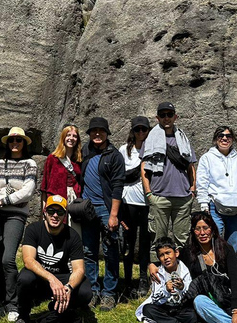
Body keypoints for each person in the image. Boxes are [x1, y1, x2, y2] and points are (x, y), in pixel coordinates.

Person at [12, 195, 91, 323]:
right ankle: (23, 316)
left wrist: (68, 287)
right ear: (44, 212)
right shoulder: (33, 229)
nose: (55, 215)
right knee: (24, 278)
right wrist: (51, 278)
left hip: (62, 278)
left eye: (60, 212)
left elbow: (79, 269)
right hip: (40, 277)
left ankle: (63, 309)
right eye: (51, 211)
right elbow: (28, 260)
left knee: (85, 291)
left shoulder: (72, 236)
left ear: (65, 215)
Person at [140, 102, 197, 285]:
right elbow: (144, 168)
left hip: (182, 197)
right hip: (159, 196)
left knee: (183, 239)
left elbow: (190, 165)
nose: (166, 118)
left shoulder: (183, 138)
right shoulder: (151, 139)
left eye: (169, 114)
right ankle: (156, 281)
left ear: (175, 117)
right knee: (158, 238)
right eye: (162, 115)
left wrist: (193, 188)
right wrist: (148, 193)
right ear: (157, 118)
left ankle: (183, 278)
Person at [0, 126, 38, 322]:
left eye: (18, 140)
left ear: (24, 143)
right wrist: (6, 194)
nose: (15, 144)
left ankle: (14, 303)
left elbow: (28, 191)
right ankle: (1, 300)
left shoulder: (30, 163)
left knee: (8, 258)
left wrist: (6, 198)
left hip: (15, 215)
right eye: (12, 140)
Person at [80, 117, 125, 311]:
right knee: (88, 251)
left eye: (101, 131)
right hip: (87, 208)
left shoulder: (114, 155)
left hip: (107, 209)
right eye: (94, 131)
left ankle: (109, 293)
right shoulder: (84, 151)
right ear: (89, 134)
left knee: (110, 251)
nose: (97, 134)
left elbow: (117, 186)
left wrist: (114, 215)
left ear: (107, 133)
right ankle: (92, 291)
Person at [134, 237, 203, 323]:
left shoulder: (184, 270)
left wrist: (182, 287)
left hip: (179, 308)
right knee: (147, 309)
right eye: (161, 255)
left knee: (193, 314)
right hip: (164, 308)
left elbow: (189, 295)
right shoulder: (158, 273)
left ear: (176, 253)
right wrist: (165, 290)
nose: (166, 257)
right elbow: (155, 298)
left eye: (168, 253)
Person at [195, 126, 237, 255]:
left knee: (234, 245)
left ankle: (231, 272)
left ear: (233, 139)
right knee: (214, 240)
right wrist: (204, 203)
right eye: (221, 136)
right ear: (215, 139)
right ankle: (214, 270)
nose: (224, 138)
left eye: (228, 136)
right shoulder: (207, 158)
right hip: (215, 206)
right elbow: (202, 182)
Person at [120, 116, 151, 298]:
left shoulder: (153, 149)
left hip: (146, 203)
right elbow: (120, 175)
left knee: (145, 244)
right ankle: (128, 279)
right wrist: (138, 168)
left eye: (144, 130)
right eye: (137, 129)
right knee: (128, 243)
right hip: (128, 202)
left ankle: (143, 279)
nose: (141, 133)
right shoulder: (125, 150)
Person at [40, 124, 82, 212]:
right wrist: (44, 209)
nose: (71, 138)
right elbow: (44, 186)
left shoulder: (78, 161)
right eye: (68, 135)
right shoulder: (53, 159)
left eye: (74, 136)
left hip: (73, 201)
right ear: (63, 137)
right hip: (56, 201)